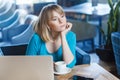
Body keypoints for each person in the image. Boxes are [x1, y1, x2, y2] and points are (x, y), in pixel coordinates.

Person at [26, 4, 76, 68]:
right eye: (55, 19)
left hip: (65, 77)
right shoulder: (36, 39)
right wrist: (47, 64)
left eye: (62, 16)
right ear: (47, 24)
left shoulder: (71, 36)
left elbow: (69, 65)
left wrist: (62, 35)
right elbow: (28, 64)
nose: (61, 21)